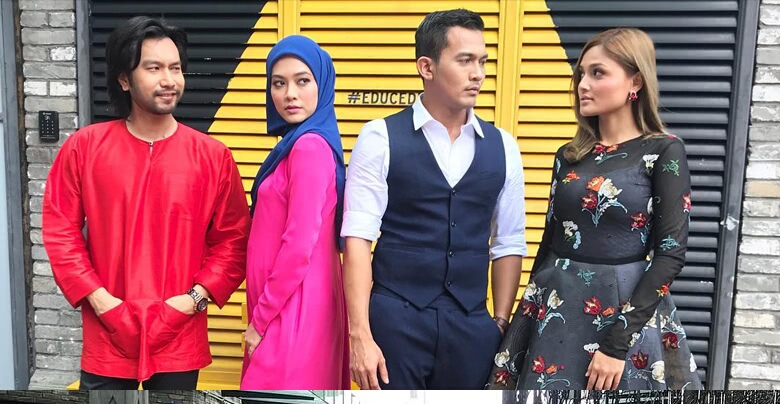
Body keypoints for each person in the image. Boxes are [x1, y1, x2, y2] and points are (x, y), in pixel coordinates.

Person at [487, 28, 702, 390]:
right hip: (556, 307)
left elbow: (670, 254)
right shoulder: (568, 156)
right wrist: (523, 324)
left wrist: (617, 345)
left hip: (624, 315)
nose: (582, 84)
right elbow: (549, 243)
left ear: (635, 81)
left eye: (598, 73)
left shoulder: (663, 151)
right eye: (581, 74)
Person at [42, 16, 250, 390]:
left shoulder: (212, 157)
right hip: (107, 333)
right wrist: (101, 300)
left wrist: (193, 300)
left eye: (175, 68)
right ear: (124, 79)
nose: (169, 80)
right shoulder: (85, 148)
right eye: (154, 68)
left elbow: (233, 242)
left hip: (179, 334)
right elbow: (61, 232)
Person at [343, 9, 527, 390]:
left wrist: (499, 324)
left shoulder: (504, 147)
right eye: (465, 61)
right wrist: (360, 334)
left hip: (472, 327)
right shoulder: (379, 137)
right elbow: (358, 238)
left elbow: (509, 242)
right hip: (395, 321)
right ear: (426, 67)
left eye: (482, 61)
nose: (478, 74)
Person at [240, 35, 349, 389]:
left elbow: (299, 246)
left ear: (323, 84)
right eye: (278, 83)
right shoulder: (298, 144)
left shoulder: (308, 147)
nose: (290, 94)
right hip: (292, 304)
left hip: (293, 310)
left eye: (302, 81)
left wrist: (261, 320)